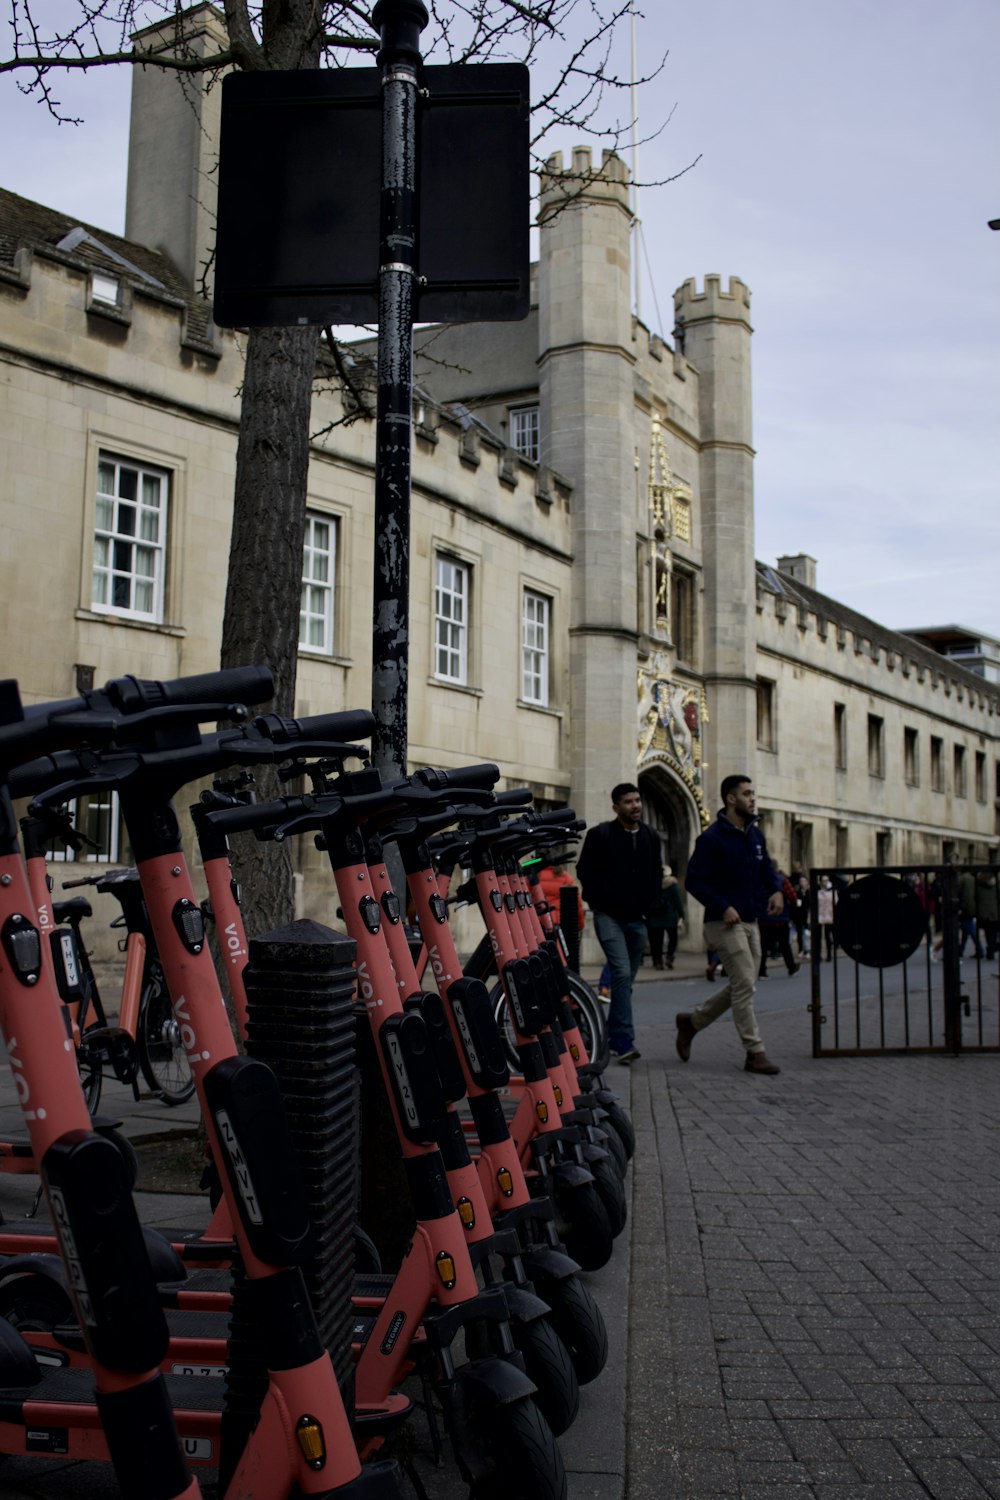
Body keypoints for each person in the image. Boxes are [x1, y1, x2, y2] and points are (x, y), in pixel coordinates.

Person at [674, 774, 784, 1076]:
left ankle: (692, 1023)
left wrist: (775, 889)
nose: (753, 798)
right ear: (731, 799)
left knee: (743, 983)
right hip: (722, 923)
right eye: (747, 794)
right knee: (745, 983)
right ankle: (754, 1051)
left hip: (751, 919)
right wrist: (722, 906)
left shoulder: (754, 835)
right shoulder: (712, 839)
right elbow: (695, 880)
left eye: (753, 793)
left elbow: (766, 869)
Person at [576, 782, 662, 1064]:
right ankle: (623, 1040)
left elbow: (656, 873)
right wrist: (600, 901)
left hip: (638, 920)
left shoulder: (650, 835)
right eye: (628, 802)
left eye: (638, 800)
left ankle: (607, 1033)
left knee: (626, 980)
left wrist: (650, 905)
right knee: (621, 974)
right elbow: (584, 871)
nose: (635, 806)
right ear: (616, 807)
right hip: (608, 917)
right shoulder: (600, 835)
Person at [646, 866, 685, 968]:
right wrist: (681, 914)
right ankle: (669, 956)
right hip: (670, 916)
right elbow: (677, 901)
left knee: (656, 940)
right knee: (673, 938)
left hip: (655, 916)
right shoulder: (672, 885)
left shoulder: (652, 884)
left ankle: (658, 960)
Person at [816, 875, 837, 960]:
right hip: (819, 915)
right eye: (824, 880)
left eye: (827, 880)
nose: (825, 882)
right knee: (818, 936)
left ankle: (829, 954)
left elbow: (836, 902)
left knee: (827, 935)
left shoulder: (832, 891)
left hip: (829, 915)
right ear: (820, 881)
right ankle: (819, 955)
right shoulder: (817, 891)